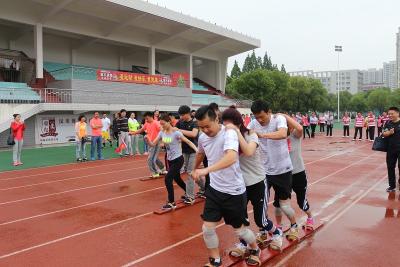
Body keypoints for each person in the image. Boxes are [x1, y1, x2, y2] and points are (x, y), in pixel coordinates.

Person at [192, 105, 261, 267]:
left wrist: (206, 170)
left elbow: (231, 157)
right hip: (215, 190)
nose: (205, 130)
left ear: (217, 119)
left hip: (234, 192)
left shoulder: (229, 133)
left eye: (207, 126)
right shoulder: (202, 137)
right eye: (201, 127)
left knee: (240, 231)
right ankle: (215, 260)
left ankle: (255, 248)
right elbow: (201, 153)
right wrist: (194, 168)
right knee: (207, 228)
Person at [222, 108, 283, 256]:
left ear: (237, 123)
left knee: (260, 220)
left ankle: (276, 233)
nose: (226, 128)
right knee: (240, 218)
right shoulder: (226, 137)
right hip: (240, 186)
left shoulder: (251, 135)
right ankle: (244, 244)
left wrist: (236, 132)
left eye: (228, 125)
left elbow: (248, 152)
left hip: (257, 182)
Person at [248, 100, 299, 242]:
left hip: (282, 169)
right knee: (261, 202)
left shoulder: (278, 119)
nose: (259, 120)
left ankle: (294, 225)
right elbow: (245, 133)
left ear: (269, 111)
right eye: (256, 117)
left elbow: (283, 134)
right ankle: (264, 229)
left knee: (284, 205)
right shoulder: (253, 123)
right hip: (263, 171)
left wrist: (261, 135)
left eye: (262, 117)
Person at [147, 113, 198, 209]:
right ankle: (188, 192)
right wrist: (147, 140)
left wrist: (197, 150)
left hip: (178, 159)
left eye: (163, 124)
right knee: (177, 179)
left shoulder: (176, 133)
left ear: (169, 122)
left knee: (168, 178)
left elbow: (188, 141)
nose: (162, 126)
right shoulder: (162, 133)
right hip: (170, 159)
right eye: (160, 124)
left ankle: (171, 202)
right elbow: (153, 144)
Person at [281, 114, 315, 229]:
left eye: (287, 125)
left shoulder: (295, 135)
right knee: (281, 203)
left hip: (298, 173)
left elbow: (300, 128)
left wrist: (285, 116)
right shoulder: (277, 137)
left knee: (301, 201)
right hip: (284, 175)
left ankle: (310, 217)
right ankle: (281, 225)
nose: (286, 127)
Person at [175, 105, 204, 204]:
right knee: (190, 172)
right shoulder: (180, 122)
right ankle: (204, 187)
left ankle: (190, 196)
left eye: (182, 115)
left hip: (194, 151)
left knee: (190, 173)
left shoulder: (195, 123)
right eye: (180, 115)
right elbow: (174, 132)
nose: (181, 117)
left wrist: (179, 131)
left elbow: (193, 134)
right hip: (184, 151)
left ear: (188, 113)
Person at [134, 111, 166, 178]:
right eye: (145, 118)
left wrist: (163, 142)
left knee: (150, 159)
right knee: (155, 158)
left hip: (156, 143)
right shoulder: (146, 123)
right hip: (150, 143)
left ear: (151, 117)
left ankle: (155, 173)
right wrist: (133, 133)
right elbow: (141, 130)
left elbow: (162, 131)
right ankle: (163, 169)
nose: (146, 120)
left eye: (147, 118)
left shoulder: (156, 123)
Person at [383, 107, 400, 192]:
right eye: (389, 114)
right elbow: (384, 133)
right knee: (390, 167)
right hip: (390, 149)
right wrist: (389, 132)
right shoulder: (388, 123)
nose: (390, 115)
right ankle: (392, 185)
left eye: (392, 114)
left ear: (397, 113)